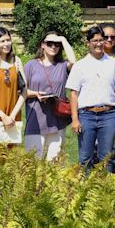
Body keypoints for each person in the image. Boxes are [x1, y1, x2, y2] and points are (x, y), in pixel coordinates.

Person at [66, 26, 115, 172]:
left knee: (106, 157)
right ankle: (85, 189)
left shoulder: (114, 64)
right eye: (95, 40)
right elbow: (73, 94)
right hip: (86, 115)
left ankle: (105, 189)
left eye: (101, 40)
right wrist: (75, 119)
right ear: (88, 43)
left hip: (109, 115)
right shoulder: (80, 66)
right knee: (85, 156)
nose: (98, 43)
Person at [24, 31, 76, 160]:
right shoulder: (31, 65)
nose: (53, 46)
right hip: (35, 119)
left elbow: (73, 61)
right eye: (50, 43)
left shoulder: (62, 65)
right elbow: (21, 90)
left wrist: (63, 39)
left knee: (54, 165)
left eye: (57, 44)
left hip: (57, 120)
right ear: (42, 45)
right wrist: (35, 94)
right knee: (33, 164)